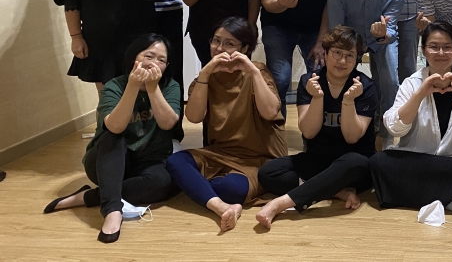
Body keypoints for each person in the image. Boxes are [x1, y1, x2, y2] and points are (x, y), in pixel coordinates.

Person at [43, 34, 181, 243]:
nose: (154, 63)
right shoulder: (114, 86)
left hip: (148, 160)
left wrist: (152, 88)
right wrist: (133, 86)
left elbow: (168, 123)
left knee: (167, 182)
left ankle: (90, 196)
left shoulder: (170, 86)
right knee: (113, 137)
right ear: (134, 57)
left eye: (161, 60)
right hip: (108, 160)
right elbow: (115, 126)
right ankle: (112, 210)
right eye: (149, 56)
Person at [165, 17, 287, 232]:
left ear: (245, 48)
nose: (219, 48)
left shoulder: (258, 71)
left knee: (230, 188)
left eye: (229, 43)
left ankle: (202, 189)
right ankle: (221, 207)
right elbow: (193, 116)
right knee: (176, 161)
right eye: (216, 41)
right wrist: (204, 74)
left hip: (258, 157)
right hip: (219, 152)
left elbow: (270, 111)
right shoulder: (206, 76)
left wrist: (253, 71)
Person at [369, 21, 452, 217]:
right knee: (378, 162)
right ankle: (450, 199)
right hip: (417, 158)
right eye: (434, 47)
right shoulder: (412, 83)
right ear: (424, 50)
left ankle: (407, 196)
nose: (441, 53)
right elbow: (395, 128)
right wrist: (419, 94)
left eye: (447, 47)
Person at [256, 26, 377, 227]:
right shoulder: (309, 81)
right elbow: (309, 132)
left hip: (353, 165)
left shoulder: (365, 86)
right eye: (337, 53)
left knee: (355, 162)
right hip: (319, 160)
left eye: (350, 55)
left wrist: (348, 101)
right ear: (326, 53)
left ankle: (281, 204)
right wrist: (317, 98)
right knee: (268, 172)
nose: (342, 61)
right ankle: (336, 190)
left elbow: (352, 137)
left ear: (356, 59)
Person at [328, 0, 405, 148]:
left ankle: (386, 133)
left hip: (381, 40)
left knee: (390, 81)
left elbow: (390, 30)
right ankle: (340, 125)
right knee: (338, 73)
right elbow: (337, 29)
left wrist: (381, 34)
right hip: (347, 39)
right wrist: (348, 54)